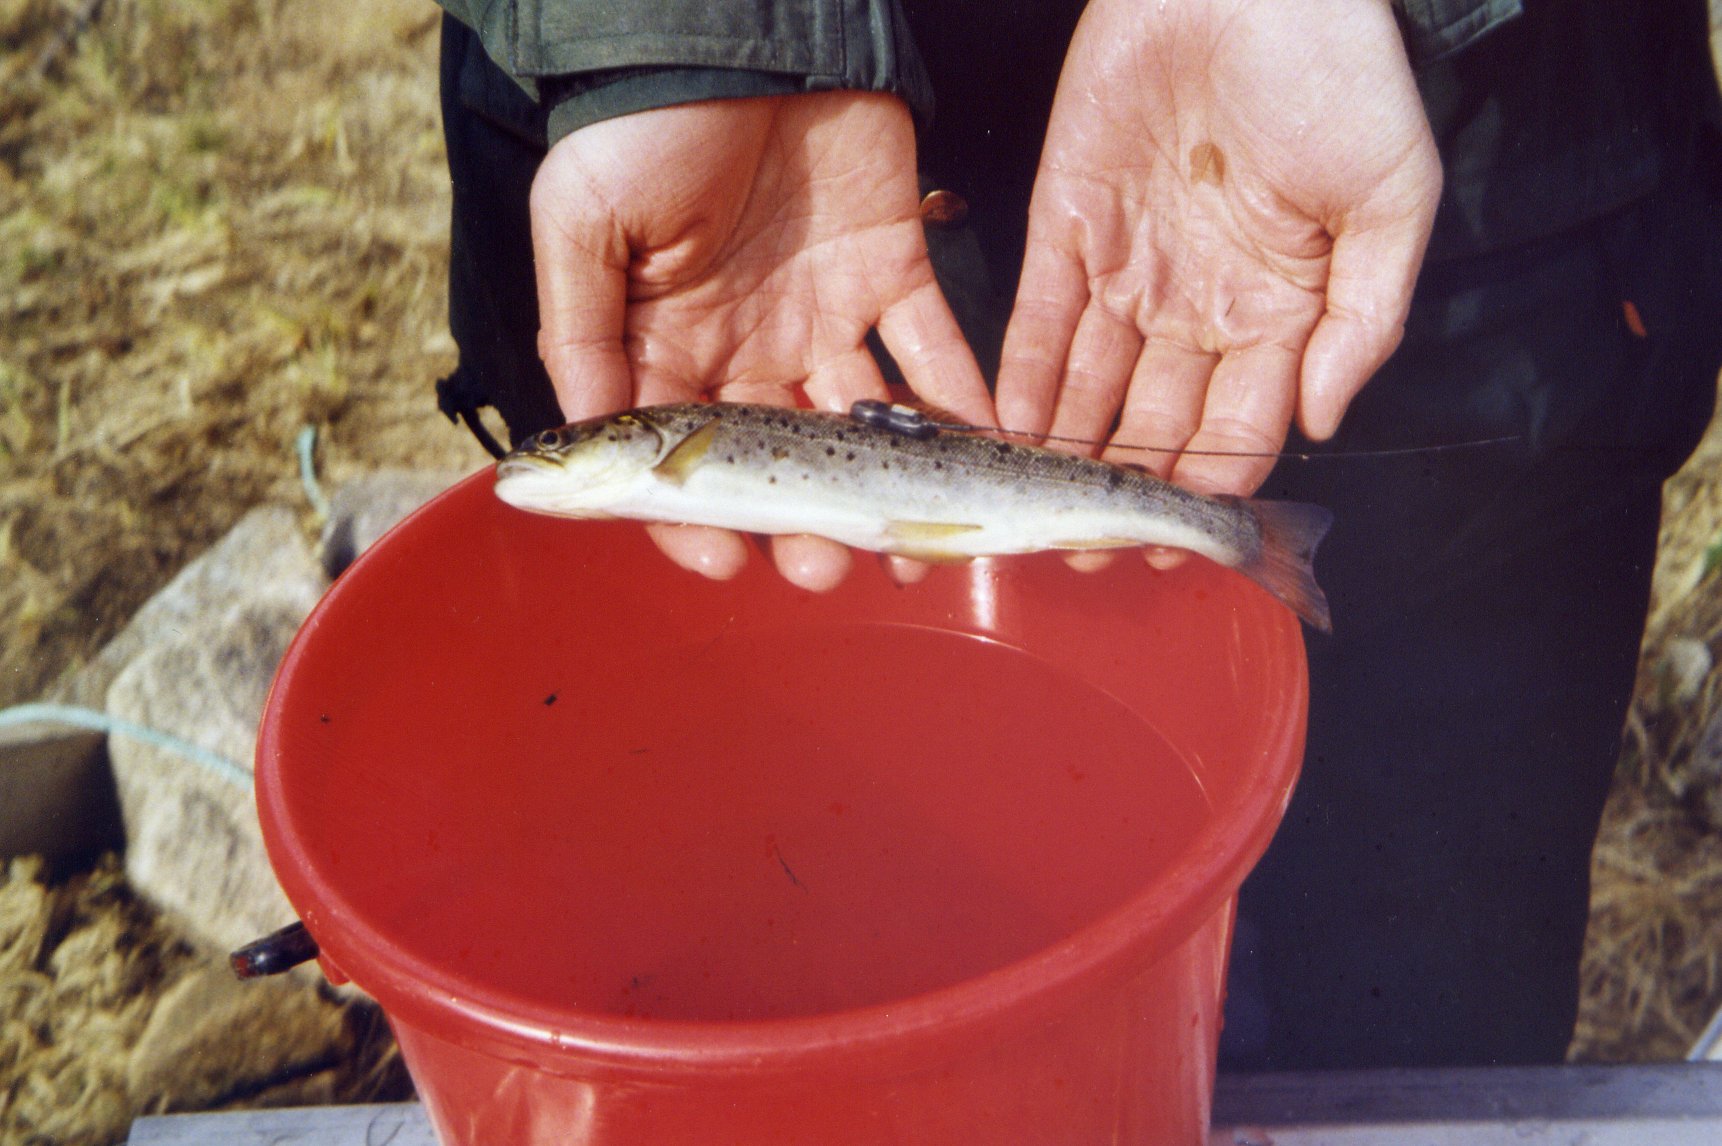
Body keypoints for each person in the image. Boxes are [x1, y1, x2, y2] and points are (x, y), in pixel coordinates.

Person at [431, 0, 1722, 1069]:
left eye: (561, 451)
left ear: (637, 453)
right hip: (737, 156)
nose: (550, 459)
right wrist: (685, 28)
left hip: (1438, 147)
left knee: (1420, 975)